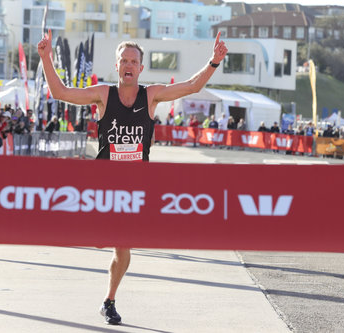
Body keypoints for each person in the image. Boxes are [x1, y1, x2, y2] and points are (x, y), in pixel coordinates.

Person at [38, 29, 227, 325]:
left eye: (133, 61)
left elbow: (191, 86)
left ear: (141, 68)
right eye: (123, 60)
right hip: (101, 186)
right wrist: (46, 58)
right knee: (98, 235)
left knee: (122, 247)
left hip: (132, 189)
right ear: (117, 66)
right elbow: (61, 93)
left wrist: (213, 62)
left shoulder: (151, 96)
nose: (128, 65)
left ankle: (108, 301)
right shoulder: (103, 94)